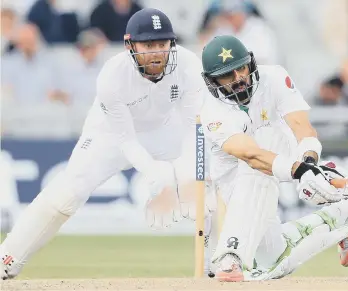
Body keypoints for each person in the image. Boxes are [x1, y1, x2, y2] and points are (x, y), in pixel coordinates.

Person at [0, 8, 213, 280]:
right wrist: (153, 172)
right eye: (148, 45)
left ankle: (216, 263)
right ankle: (8, 258)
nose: (157, 52)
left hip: (164, 129)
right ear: (129, 45)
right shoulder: (113, 76)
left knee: (205, 181)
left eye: (162, 44)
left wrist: (184, 173)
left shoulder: (189, 65)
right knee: (68, 193)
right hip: (110, 134)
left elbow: (191, 126)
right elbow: (125, 140)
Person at [199, 35, 348, 281]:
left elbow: (302, 126)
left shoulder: (273, 77)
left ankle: (230, 255)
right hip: (236, 180)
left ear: (250, 62)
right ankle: (340, 216)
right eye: (227, 75)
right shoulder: (211, 110)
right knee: (272, 257)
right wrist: (298, 171)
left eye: (241, 68)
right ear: (212, 81)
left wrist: (308, 161)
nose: (239, 79)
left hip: (278, 154)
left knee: (265, 138)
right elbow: (248, 154)